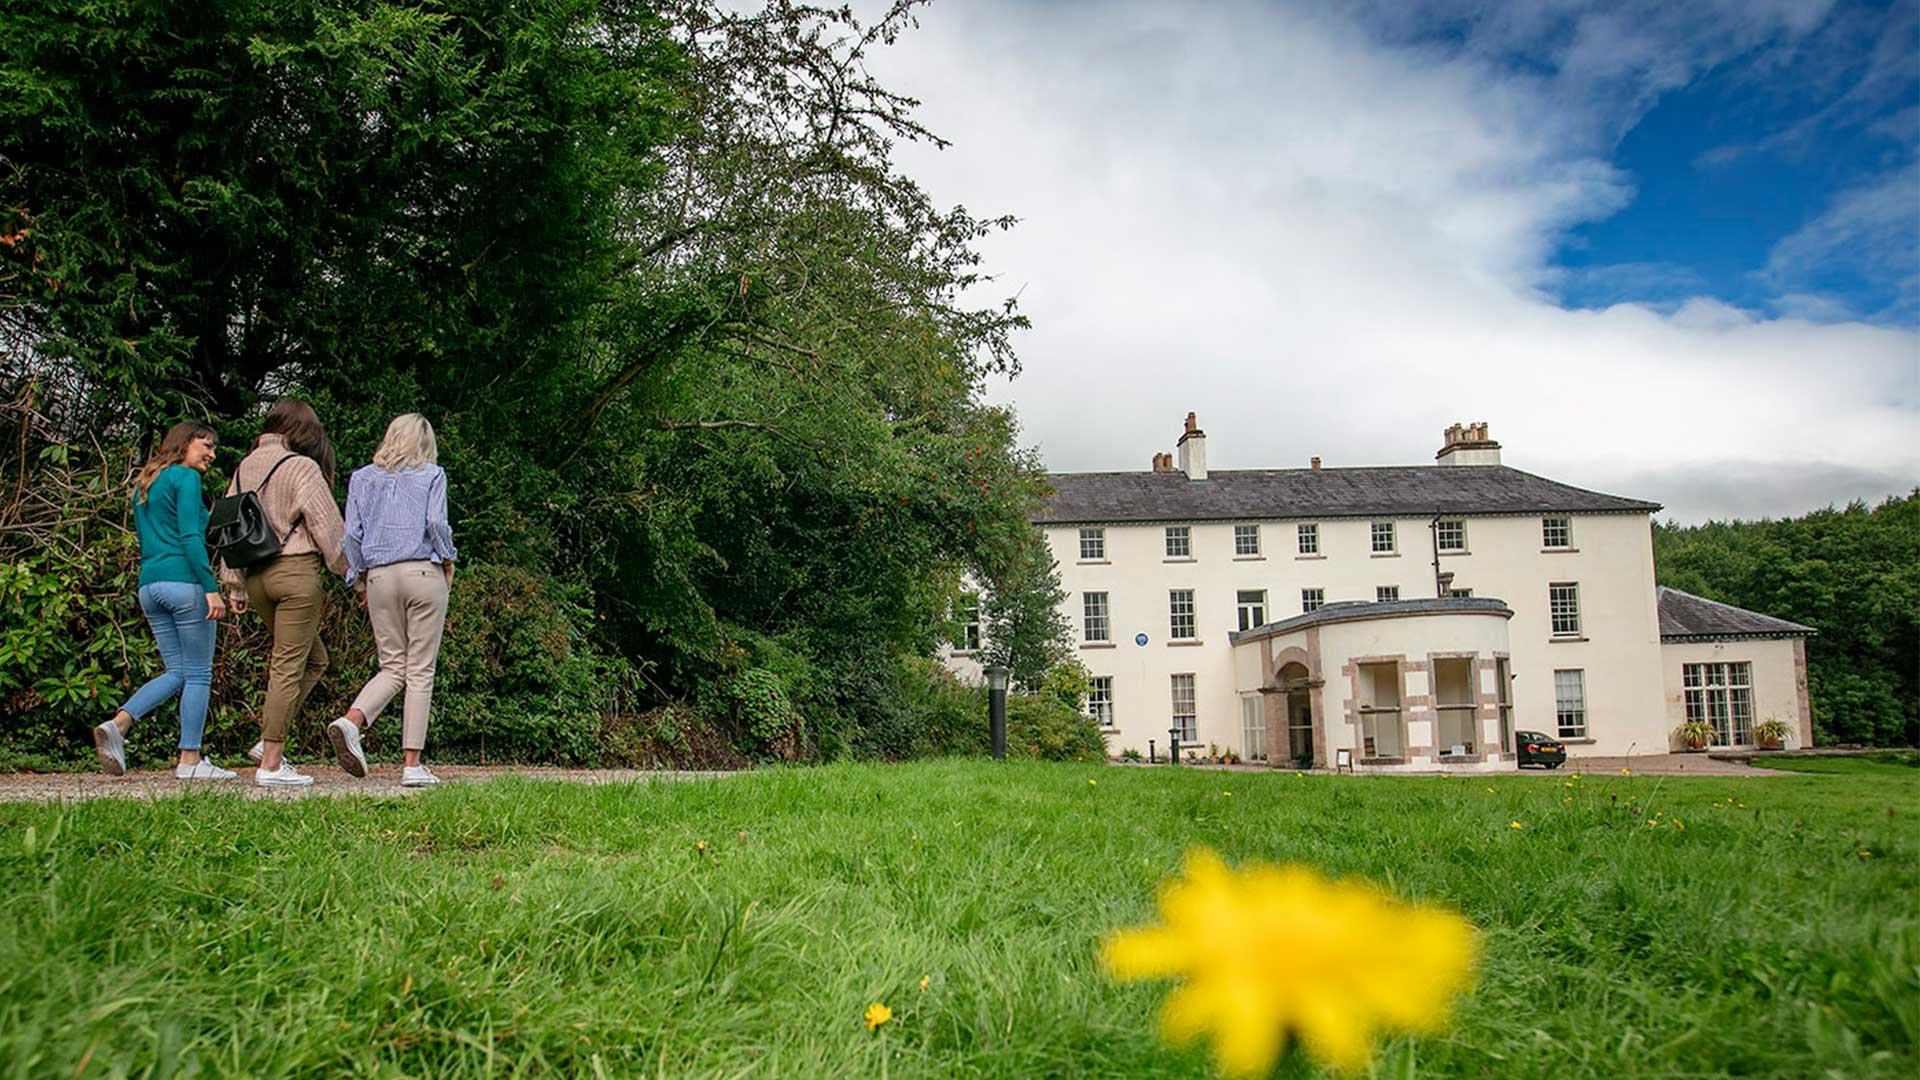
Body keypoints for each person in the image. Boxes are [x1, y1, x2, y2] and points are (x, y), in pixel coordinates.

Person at [93, 422, 237, 780]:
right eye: (206, 445)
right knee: (199, 674)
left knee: (177, 672)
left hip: (150, 586)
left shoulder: (146, 483)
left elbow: (188, 525)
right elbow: (190, 536)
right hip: (184, 583)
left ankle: (119, 724)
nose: (211, 454)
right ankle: (190, 760)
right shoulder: (185, 479)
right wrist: (210, 586)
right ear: (185, 443)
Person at [220, 399, 347, 788]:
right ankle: (271, 762)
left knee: (314, 659)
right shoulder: (302, 467)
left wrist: (234, 583)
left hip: (256, 576)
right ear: (303, 432)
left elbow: (229, 524)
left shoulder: (245, 466)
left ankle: (266, 741)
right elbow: (328, 528)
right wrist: (351, 573)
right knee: (289, 664)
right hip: (295, 573)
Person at [330, 414, 456, 788]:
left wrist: (359, 576)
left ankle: (351, 721)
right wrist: (447, 558)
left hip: (380, 576)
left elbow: (351, 535)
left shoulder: (362, 478)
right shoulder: (432, 475)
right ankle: (412, 764)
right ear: (424, 443)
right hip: (422, 572)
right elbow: (436, 523)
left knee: (392, 666)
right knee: (419, 669)